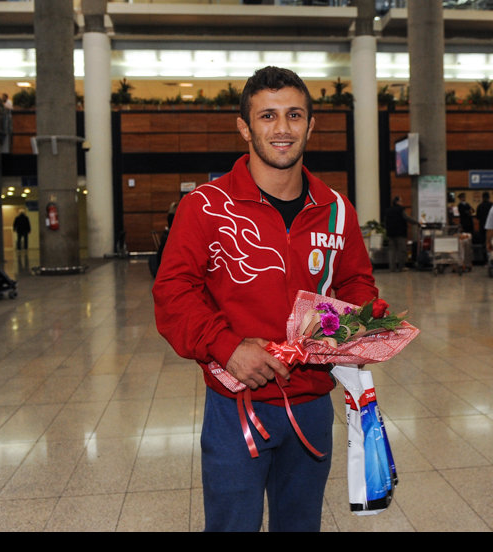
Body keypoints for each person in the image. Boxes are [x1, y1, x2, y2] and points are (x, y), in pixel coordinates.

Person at [152, 66, 378, 532]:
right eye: (267, 116)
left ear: (311, 125)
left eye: (294, 115)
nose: (282, 129)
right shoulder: (206, 206)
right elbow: (173, 292)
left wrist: (349, 329)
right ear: (245, 127)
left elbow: (358, 285)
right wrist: (227, 346)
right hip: (237, 407)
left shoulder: (337, 210)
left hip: (313, 401)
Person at [384, 196, 410, 272]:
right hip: (400, 233)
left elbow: (385, 221)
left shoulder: (388, 210)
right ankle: (401, 267)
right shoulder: (400, 210)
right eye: (401, 201)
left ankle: (392, 268)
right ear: (397, 202)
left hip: (390, 233)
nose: (402, 203)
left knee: (392, 251)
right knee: (402, 251)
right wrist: (417, 223)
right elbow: (407, 218)